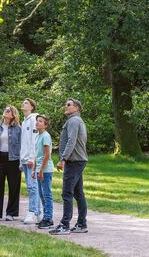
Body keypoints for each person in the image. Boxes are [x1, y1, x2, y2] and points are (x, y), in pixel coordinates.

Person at [50, 99, 88, 235]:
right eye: (65, 104)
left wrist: (63, 159)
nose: (65, 106)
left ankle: (64, 225)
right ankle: (81, 224)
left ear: (76, 107)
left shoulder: (73, 121)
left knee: (67, 193)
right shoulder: (77, 120)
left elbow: (72, 140)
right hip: (78, 161)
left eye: (68, 105)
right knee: (78, 193)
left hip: (74, 161)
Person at [0, 105, 22, 221]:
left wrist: (21, 162)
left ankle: (11, 213)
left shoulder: (18, 129)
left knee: (14, 186)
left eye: (9, 110)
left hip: (14, 160)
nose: (6, 111)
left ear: (13, 115)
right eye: (5, 110)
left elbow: (22, 146)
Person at [19, 98, 41, 224]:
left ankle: (33, 212)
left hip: (31, 159)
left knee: (33, 186)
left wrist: (33, 158)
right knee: (31, 186)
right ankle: (37, 213)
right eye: (23, 102)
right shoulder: (24, 121)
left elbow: (35, 139)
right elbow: (23, 142)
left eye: (26, 103)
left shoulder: (34, 118)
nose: (23, 104)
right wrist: (21, 160)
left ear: (32, 107)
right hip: (24, 158)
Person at [33, 114, 54, 229]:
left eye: (40, 121)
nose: (37, 123)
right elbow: (37, 155)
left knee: (47, 194)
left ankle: (48, 218)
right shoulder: (37, 136)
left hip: (45, 170)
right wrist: (34, 169)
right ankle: (45, 217)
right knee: (41, 194)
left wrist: (41, 171)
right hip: (39, 169)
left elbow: (47, 155)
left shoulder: (46, 136)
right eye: (37, 121)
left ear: (45, 125)